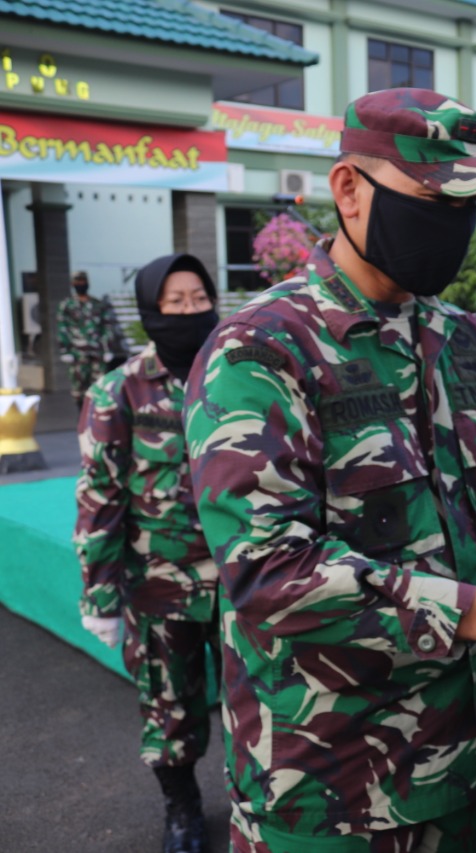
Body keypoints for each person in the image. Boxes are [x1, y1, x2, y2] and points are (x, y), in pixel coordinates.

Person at [183, 89, 476, 853]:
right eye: (432, 202)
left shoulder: (460, 339)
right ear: (349, 191)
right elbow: (267, 568)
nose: (452, 228)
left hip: (465, 771)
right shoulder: (261, 350)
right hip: (329, 792)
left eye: (468, 207)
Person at [74, 253, 223, 853]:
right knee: (170, 712)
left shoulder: (242, 371)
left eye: (199, 298)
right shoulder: (120, 389)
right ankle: (182, 808)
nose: (191, 310)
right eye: (175, 302)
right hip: (161, 587)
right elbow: (100, 501)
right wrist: (101, 595)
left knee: (261, 708)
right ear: (149, 313)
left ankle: (258, 807)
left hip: (249, 581)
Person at [57, 270, 127, 408]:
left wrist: (108, 348)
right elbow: (62, 328)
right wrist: (64, 350)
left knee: (100, 386)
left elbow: (107, 326)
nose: (80, 284)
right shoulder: (67, 305)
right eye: (77, 282)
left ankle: (96, 415)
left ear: (87, 283)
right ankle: (81, 417)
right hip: (77, 354)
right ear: (73, 284)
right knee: (79, 389)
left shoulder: (98, 304)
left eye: (83, 282)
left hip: (97, 353)